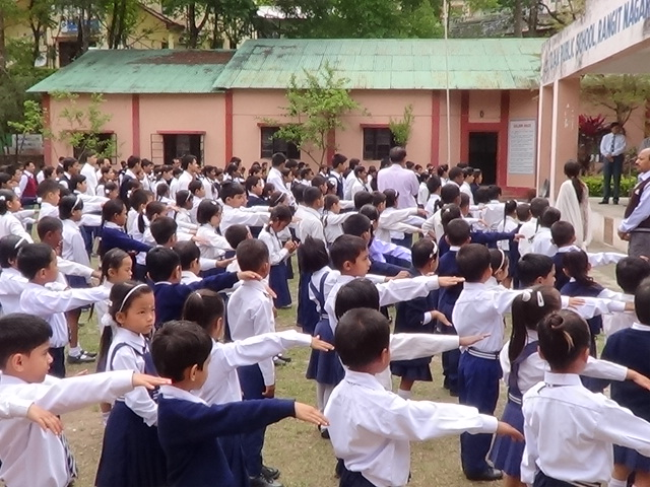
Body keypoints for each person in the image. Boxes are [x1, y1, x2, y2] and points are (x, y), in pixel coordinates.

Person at [325, 307, 523, 487]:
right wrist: (489, 423)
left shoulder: (338, 395)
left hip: (351, 474)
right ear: (385, 355)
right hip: (373, 481)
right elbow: (429, 416)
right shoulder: (382, 405)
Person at [491, 287, 648, 487]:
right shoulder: (596, 407)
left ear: (541, 352)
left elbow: (531, 452)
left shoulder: (532, 395)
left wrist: (530, 478)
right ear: (585, 354)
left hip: (543, 480)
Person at [152, 320, 328, 487]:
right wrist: (288, 407)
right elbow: (234, 414)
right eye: (207, 365)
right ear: (193, 373)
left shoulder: (175, 402)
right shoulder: (181, 414)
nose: (208, 369)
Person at [0, 312, 168, 487]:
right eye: (44, 353)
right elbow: (68, 391)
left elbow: (61, 388)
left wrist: (68, 384)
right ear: (18, 362)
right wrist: (128, 379)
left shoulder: (26, 385)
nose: (50, 358)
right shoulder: (17, 394)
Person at [184, 289, 332, 484]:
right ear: (219, 323)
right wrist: (302, 339)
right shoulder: (219, 354)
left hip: (192, 431)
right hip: (223, 432)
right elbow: (260, 344)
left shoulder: (176, 351)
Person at [453, 243, 524, 481]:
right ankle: (476, 465)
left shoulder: (470, 293)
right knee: (481, 412)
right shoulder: (488, 296)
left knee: (471, 410)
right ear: (489, 270)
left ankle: (472, 460)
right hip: (482, 362)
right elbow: (520, 298)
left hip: (470, 358)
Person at [95, 282, 167, 487]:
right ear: (121, 317)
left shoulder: (141, 340)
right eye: (142, 312)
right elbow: (137, 399)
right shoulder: (124, 351)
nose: (150, 317)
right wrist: (162, 418)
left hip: (145, 420)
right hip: (132, 423)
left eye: (152, 310)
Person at [227, 239, 286, 486]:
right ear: (265, 266)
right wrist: (270, 380)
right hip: (254, 365)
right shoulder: (259, 301)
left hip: (238, 361)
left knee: (249, 418)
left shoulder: (237, 294)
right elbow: (265, 345)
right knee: (255, 420)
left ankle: (254, 463)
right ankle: (251, 473)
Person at [17, 243, 109, 378]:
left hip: (54, 350)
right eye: (55, 265)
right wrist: (105, 292)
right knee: (53, 382)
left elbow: (56, 288)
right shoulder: (36, 297)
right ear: (43, 273)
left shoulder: (41, 288)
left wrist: (62, 288)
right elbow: (68, 298)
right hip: (47, 351)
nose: (58, 268)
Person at [599, 278, 650, 487]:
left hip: (621, 412)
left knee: (620, 467)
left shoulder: (616, 339)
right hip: (648, 418)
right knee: (646, 474)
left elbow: (602, 375)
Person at [391, 238, 451, 399]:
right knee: (408, 376)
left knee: (408, 377)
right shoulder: (416, 287)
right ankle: (401, 403)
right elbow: (415, 318)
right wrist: (434, 314)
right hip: (412, 337)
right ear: (431, 262)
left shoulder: (414, 276)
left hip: (407, 334)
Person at [145, 246, 249, 326]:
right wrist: (235, 276)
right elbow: (204, 285)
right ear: (178, 271)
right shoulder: (174, 293)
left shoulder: (147, 292)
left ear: (149, 275)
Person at [259, 205, 297, 309]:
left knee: (285, 304)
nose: (283, 229)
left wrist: (289, 251)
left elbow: (279, 254)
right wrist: (285, 249)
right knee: (280, 303)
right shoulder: (265, 236)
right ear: (276, 220)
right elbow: (272, 259)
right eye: (283, 226)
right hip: (273, 272)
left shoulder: (274, 233)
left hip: (279, 270)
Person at [619, 148, 650, 257]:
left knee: (638, 265)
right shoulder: (643, 181)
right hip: (639, 232)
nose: (637, 162)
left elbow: (643, 210)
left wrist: (624, 227)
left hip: (645, 233)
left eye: (641, 159)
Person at [555, 161, 592, 248]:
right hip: (581, 219)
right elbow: (585, 206)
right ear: (579, 171)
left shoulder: (566, 185)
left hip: (568, 219)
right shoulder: (583, 185)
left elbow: (560, 205)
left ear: (565, 172)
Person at [600, 122, 627, 205]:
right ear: (611, 129)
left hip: (617, 158)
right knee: (606, 178)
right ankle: (605, 198)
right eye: (615, 128)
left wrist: (613, 154)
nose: (617, 130)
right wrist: (607, 155)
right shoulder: (606, 137)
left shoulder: (622, 137)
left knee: (616, 178)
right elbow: (602, 147)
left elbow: (622, 148)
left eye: (618, 128)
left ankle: (615, 198)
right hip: (607, 157)